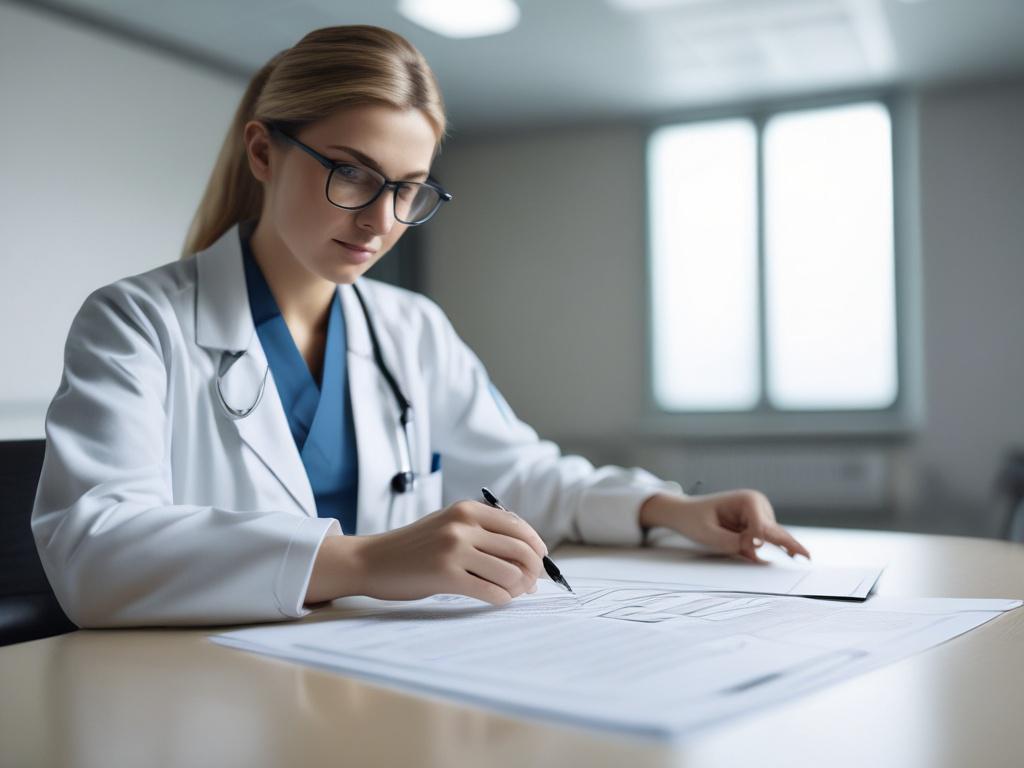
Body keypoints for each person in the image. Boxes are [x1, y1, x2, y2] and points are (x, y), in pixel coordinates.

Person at [31, 25, 810, 629]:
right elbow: (92, 552)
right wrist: (363, 560)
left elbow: (524, 478)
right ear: (264, 151)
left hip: (376, 679)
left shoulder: (411, 328)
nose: (380, 220)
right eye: (351, 174)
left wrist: (666, 509)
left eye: (409, 190)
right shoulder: (136, 323)